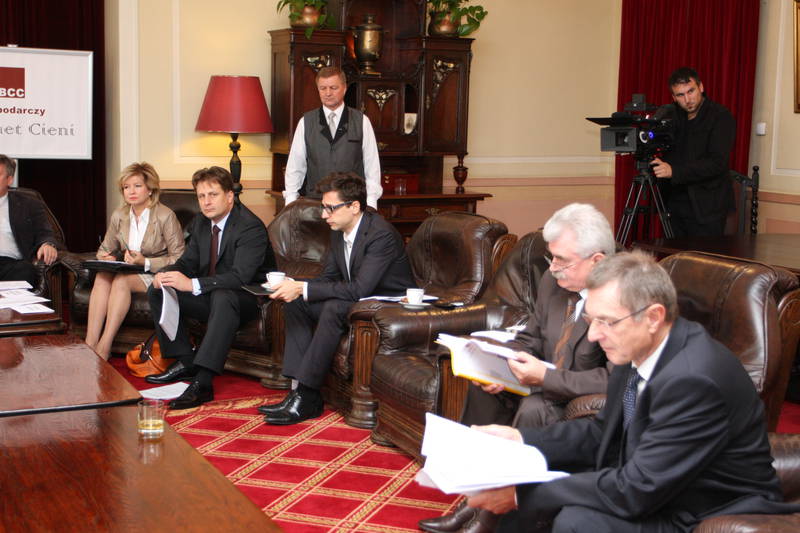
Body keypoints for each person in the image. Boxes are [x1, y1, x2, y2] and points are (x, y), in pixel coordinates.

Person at [467, 251, 799, 533]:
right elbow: (601, 435)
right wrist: (520, 439)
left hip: (703, 509)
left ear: (653, 316)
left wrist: (523, 495)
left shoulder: (693, 380)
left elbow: (638, 489)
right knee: (520, 480)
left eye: (606, 322)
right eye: (592, 321)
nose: (594, 336)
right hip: (656, 486)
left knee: (573, 519)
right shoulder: (637, 348)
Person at [419, 203, 615, 533]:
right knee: (484, 389)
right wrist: (500, 367)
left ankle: (492, 517)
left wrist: (548, 377)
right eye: (551, 258)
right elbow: (530, 338)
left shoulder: (619, 296)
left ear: (597, 260)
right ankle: (473, 498)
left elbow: (615, 378)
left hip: (575, 397)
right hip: (538, 379)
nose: (553, 268)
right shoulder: (553, 283)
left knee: (534, 408)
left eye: (562, 260)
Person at [260, 171, 413, 425]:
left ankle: (307, 394)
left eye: (330, 208)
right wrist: (295, 286)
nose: (324, 215)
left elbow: (360, 289)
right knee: (296, 302)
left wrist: (302, 287)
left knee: (332, 307)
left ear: (354, 206)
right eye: (324, 208)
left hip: (388, 306)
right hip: (357, 301)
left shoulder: (381, 235)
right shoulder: (338, 231)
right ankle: (299, 391)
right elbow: (328, 277)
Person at [145, 166, 275, 410]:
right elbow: (187, 263)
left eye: (213, 195)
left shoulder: (250, 227)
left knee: (223, 296)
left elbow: (240, 277)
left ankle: (203, 382)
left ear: (230, 196)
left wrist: (191, 284)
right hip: (212, 293)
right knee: (159, 289)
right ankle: (186, 360)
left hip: (247, 299)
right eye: (201, 196)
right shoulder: (201, 223)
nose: (206, 202)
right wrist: (165, 274)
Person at [84, 162, 185, 360]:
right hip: (128, 269)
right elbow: (103, 249)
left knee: (121, 281)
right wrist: (107, 257)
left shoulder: (165, 216)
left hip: (156, 272)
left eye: (137, 186)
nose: (131, 191)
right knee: (102, 276)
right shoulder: (120, 215)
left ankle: (104, 346)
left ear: (150, 189)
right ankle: (89, 343)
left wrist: (145, 261)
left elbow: (179, 257)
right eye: (126, 187)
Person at [651, 67, 736, 237]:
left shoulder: (720, 116)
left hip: (708, 207)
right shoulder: (671, 117)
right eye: (680, 95)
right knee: (673, 252)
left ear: (701, 87)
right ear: (674, 97)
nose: (687, 99)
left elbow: (717, 163)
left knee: (704, 254)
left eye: (691, 91)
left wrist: (674, 171)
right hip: (674, 204)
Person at [283, 66, 382, 209]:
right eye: (323, 88)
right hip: (316, 204)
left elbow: (372, 166)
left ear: (344, 88)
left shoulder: (362, 121)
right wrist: (290, 202)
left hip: (351, 204)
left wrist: (372, 203)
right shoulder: (306, 122)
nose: (328, 93)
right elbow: (295, 166)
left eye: (333, 88)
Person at [0, 154, 60, 284]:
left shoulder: (29, 204)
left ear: (9, 180)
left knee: (26, 270)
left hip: (10, 265)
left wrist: (47, 244)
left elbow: (44, 232)